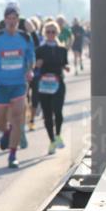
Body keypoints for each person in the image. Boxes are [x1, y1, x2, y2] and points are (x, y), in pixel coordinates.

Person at [0, 1, 34, 168]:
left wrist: (29, 70)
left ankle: (12, 155)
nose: (11, 21)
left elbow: (30, 58)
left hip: (18, 84)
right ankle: (7, 132)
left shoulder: (25, 37)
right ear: (4, 20)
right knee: (0, 124)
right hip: (1, 86)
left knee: (17, 118)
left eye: (14, 18)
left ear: (18, 20)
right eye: (9, 18)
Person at [35, 21, 71, 154]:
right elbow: (34, 67)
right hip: (44, 85)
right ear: (45, 33)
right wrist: (37, 65)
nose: (50, 34)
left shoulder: (62, 50)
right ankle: (51, 141)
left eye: (53, 32)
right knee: (47, 114)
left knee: (58, 111)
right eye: (48, 32)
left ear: (57, 33)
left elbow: (65, 64)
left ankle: (58, 135)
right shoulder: (39, 50)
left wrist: (66, 67)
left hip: (58, 83)